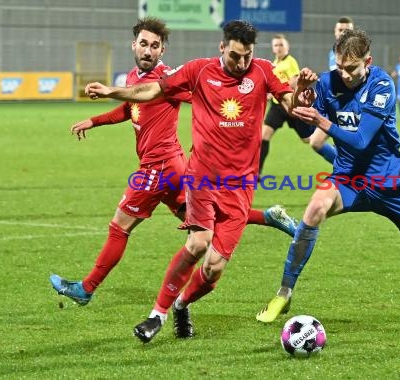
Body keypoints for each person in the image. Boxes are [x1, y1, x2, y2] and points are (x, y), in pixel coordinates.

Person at [84, 20, 317, 342]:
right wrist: (114, 91)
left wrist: (303, 91)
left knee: (213, 270)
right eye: (236, 56)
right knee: (197, 243)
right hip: (201, 177)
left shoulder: (262, 71)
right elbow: (154, 89)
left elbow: (293, 106)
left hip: (239, 186)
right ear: (222, 48)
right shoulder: (199, 71)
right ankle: (157, 315)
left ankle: (181, 304)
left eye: (247, 56)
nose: (242, 63)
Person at [256, 28, 400, 324]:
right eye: (340, 67)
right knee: (315, 208)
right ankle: (284, 292)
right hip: (348, 177)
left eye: (352, 68)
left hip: (389, 182)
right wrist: (300, 95)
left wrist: (322, 120)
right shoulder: (329, 80)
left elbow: (360, 140)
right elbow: (297, 113)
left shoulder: (382, 85)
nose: (344, 74)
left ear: (367, 61)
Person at [260, 34, 330, 174]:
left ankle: (330, 132)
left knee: (309, 140)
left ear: (287, 47)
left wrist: (275, 90)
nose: (279, 48)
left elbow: (293, 83)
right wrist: (271, 93)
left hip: (292, 103)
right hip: (277, 106)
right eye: (276, 45)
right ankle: (257, 173)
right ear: (273, 48)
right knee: (264, 136)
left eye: (281, 45)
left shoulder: (290, 62)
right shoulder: (275, 63)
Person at [307, 16, 357, 168]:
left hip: (352, 108)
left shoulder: (357, 53)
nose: (343, 33)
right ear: (335, 32)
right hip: (335, 106)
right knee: (315, 142)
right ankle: (348, 169)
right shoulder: (334, 52)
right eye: (340, 30)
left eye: (346, 30)